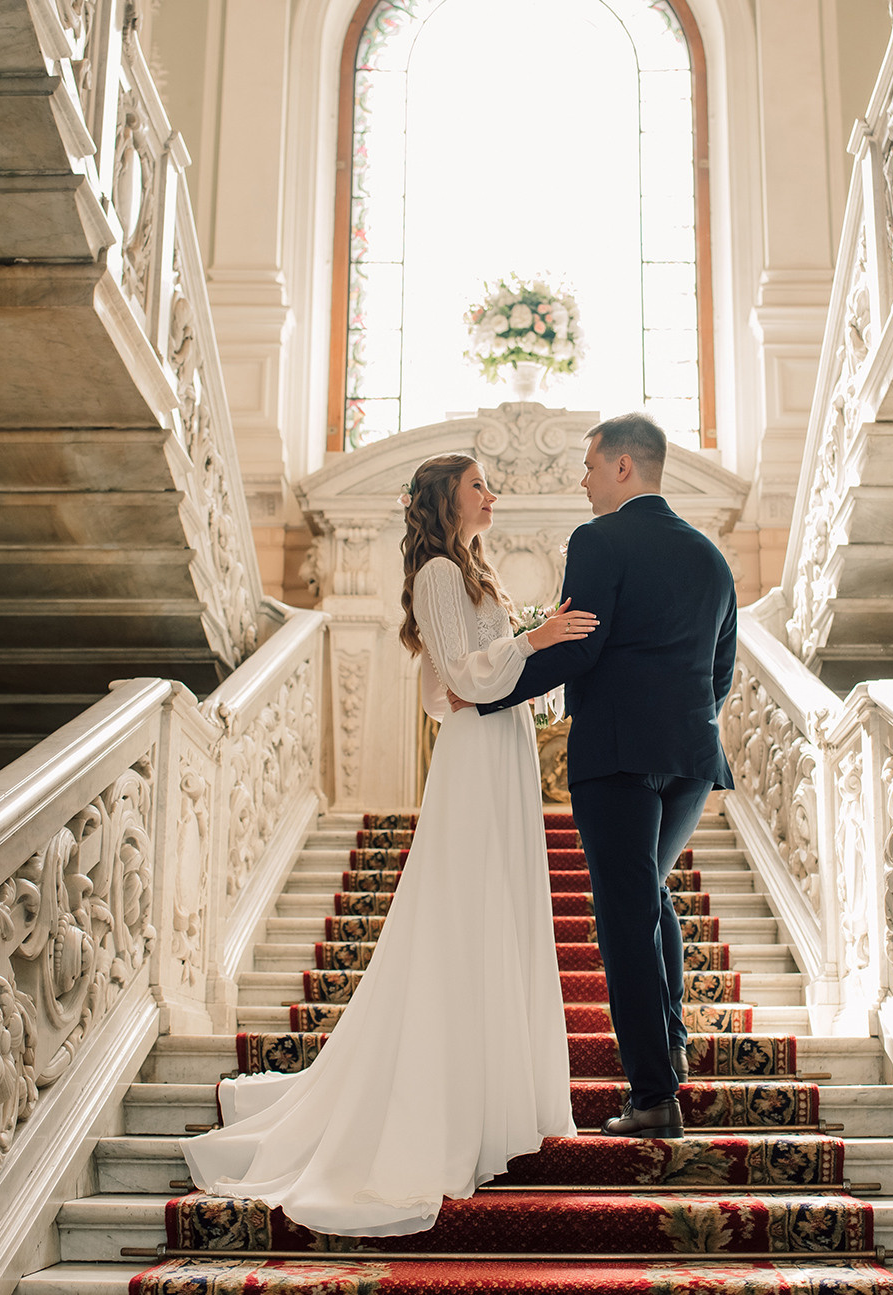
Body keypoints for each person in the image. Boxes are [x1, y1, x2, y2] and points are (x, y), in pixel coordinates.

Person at [180, 452, 597, 1236]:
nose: (492, 494)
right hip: (476, 754)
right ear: (448, 498)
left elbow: (489, 675)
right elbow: (465, 679)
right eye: (480, 484)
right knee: (463, 916)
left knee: (500, 911)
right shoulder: (438, 573)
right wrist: (535, 640)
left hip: (500, 746)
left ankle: (496, 1102)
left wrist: (540, 652)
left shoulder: (470, 570)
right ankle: (444, 1111)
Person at [470, 412, 737, 1140]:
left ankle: (653, 1097)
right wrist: (680, 723)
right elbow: (722, 672)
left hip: (615, 755)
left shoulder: (598, 539)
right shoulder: (710, 557)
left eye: (589, 466)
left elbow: (580, 647)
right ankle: (671, 1045)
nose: (582, 480)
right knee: (648, 893)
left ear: (623, 466)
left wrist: (490, 693)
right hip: (688, 758)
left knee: (623, 917)